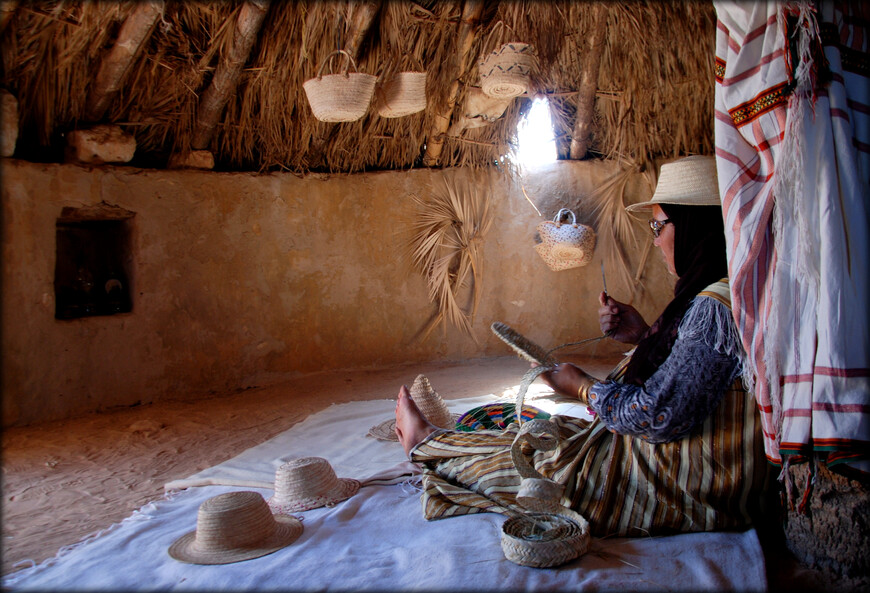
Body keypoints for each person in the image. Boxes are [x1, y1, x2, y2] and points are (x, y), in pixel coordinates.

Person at [394, 155, 770, 537]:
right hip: (701, 463)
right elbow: (703, 375)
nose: (654, 240)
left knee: (544, 471)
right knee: (552, 433)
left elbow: (658, 416)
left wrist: (583, 387)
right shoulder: (734, 292)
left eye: (658, 226)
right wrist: (645, 337)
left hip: (690, 482)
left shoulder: (716, 307)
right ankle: (437, 442)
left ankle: (429, 446)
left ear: (694, 227)